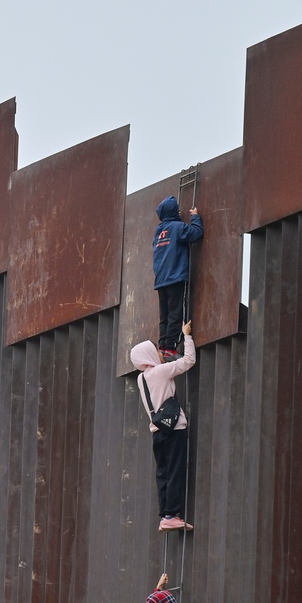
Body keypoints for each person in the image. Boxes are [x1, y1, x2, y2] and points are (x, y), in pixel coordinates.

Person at [130, 324, 196, 531]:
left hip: (157, 431)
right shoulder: (160, 372)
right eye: (156, 350)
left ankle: (165, 516)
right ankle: (171, 515)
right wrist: (187, 337)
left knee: (164, 473)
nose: (160, 353)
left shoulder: (141, 378)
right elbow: (188, 361)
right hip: (174, 428)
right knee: (176, 470)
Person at [152, 196, 203, 360]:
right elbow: (196, 233)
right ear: (173, 211)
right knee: (175, 313)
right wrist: (195, 216)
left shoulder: (159, 231)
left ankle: (163, 346)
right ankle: (171, 347)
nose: (180, 211)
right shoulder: (178, 227)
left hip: (161, 280)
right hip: (175, 277)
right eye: (177, 209)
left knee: (164, 316)